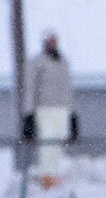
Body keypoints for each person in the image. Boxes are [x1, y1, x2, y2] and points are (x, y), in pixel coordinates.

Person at [25, 33, 76, 178]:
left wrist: (72, 116)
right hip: (44, 109)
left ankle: (55, 177)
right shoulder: (37, 62)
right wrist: (29, 115)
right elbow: (31, 89)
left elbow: (67, 89)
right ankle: (46, 177)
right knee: (47, 144)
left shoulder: (63, 62)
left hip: (62, 109)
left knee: (57, 146)